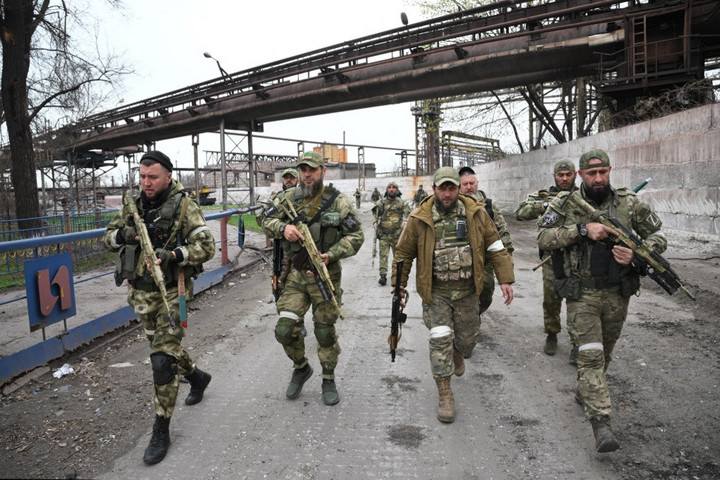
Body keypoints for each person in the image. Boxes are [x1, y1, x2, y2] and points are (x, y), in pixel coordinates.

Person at [537, 149, 667, 453]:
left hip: (617, 292)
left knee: (605, 352)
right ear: (581, 176)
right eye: (592, 174)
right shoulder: (565, 203)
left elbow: (658, 234)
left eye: (603, 172)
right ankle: (601, 424)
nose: (598, 178)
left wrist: (636, 254)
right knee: (590, 355)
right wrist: (582, 230)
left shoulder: (628, 203)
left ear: (610, 171)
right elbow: (543, 237)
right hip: (582, 294)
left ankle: (587, 390)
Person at [103, 151, 216, 465]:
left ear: (168, 176)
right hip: (141, 295)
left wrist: (174, 255)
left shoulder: (184, 206)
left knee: (162, 362)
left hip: (172, 294)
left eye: (152, 177)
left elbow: (207, 245)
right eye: (142, 177)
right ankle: (197, 377)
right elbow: (107, 239)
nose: (146, 182)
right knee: (163, 351)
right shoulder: (134, 206)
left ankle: (161, 430)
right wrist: (125, 234)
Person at [392, 167, 515, 423]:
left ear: (459, 188)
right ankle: (445, 394)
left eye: (452, 188)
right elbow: (403, 255)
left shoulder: (476, 213)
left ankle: (459, 351)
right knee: (439, 341)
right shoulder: (420, 217)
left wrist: (505, 278)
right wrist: (399, 288)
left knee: (468, 340)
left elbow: (495, 246)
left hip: (468, 292)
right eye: (442, 188)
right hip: (436, 293)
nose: (447, 194)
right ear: (435, 189)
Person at [262, 151, 364, 406]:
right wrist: (283, 228)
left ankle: (328, 378)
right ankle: (301, 366)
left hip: (324, 274)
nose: (307, 175)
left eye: (312, 170)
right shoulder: (287, 198)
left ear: (322, 171)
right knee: (284, 329)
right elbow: (265, 219)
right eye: (303, 170)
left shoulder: (338, 202)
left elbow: (356, 236)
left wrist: (332, 254)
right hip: (295, 276)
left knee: (324, 331)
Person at [515, 160, 579, 361]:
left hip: (578, 259)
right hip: (552, 258)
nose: (565, 178)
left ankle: (577, 343)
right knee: (551, 299)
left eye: (568, 174)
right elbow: (520, 213)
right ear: (554, 176)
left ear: (575, 175)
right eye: (561, 175)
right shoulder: (543, 196)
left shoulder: (582, 196)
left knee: (577, 301)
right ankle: (552, 334)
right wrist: (544, 206)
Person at [458, 166, 514, 357]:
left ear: (477, 183)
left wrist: (509, 254)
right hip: (464, 261)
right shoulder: (456, 204)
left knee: (486, 295)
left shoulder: (488, 205)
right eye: (464, 184)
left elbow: (501, 230)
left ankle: (473, 318)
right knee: (465, 296)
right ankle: (467, 329)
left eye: (471, 183)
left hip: (486, 260)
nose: (468, 187)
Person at [372, 181, 411, 286]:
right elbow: (374, 213)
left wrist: (406, 222)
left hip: (397, 235)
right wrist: (375, 222)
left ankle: (398, 276)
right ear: (387, 189)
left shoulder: (402, 203)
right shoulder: (381, 203)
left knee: (398, 257)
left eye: (394, 187)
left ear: (397, 190)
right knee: (383, 255)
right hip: (384, 234)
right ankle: (383, 276)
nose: (392, 189)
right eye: (390, 187)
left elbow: (410, 215)